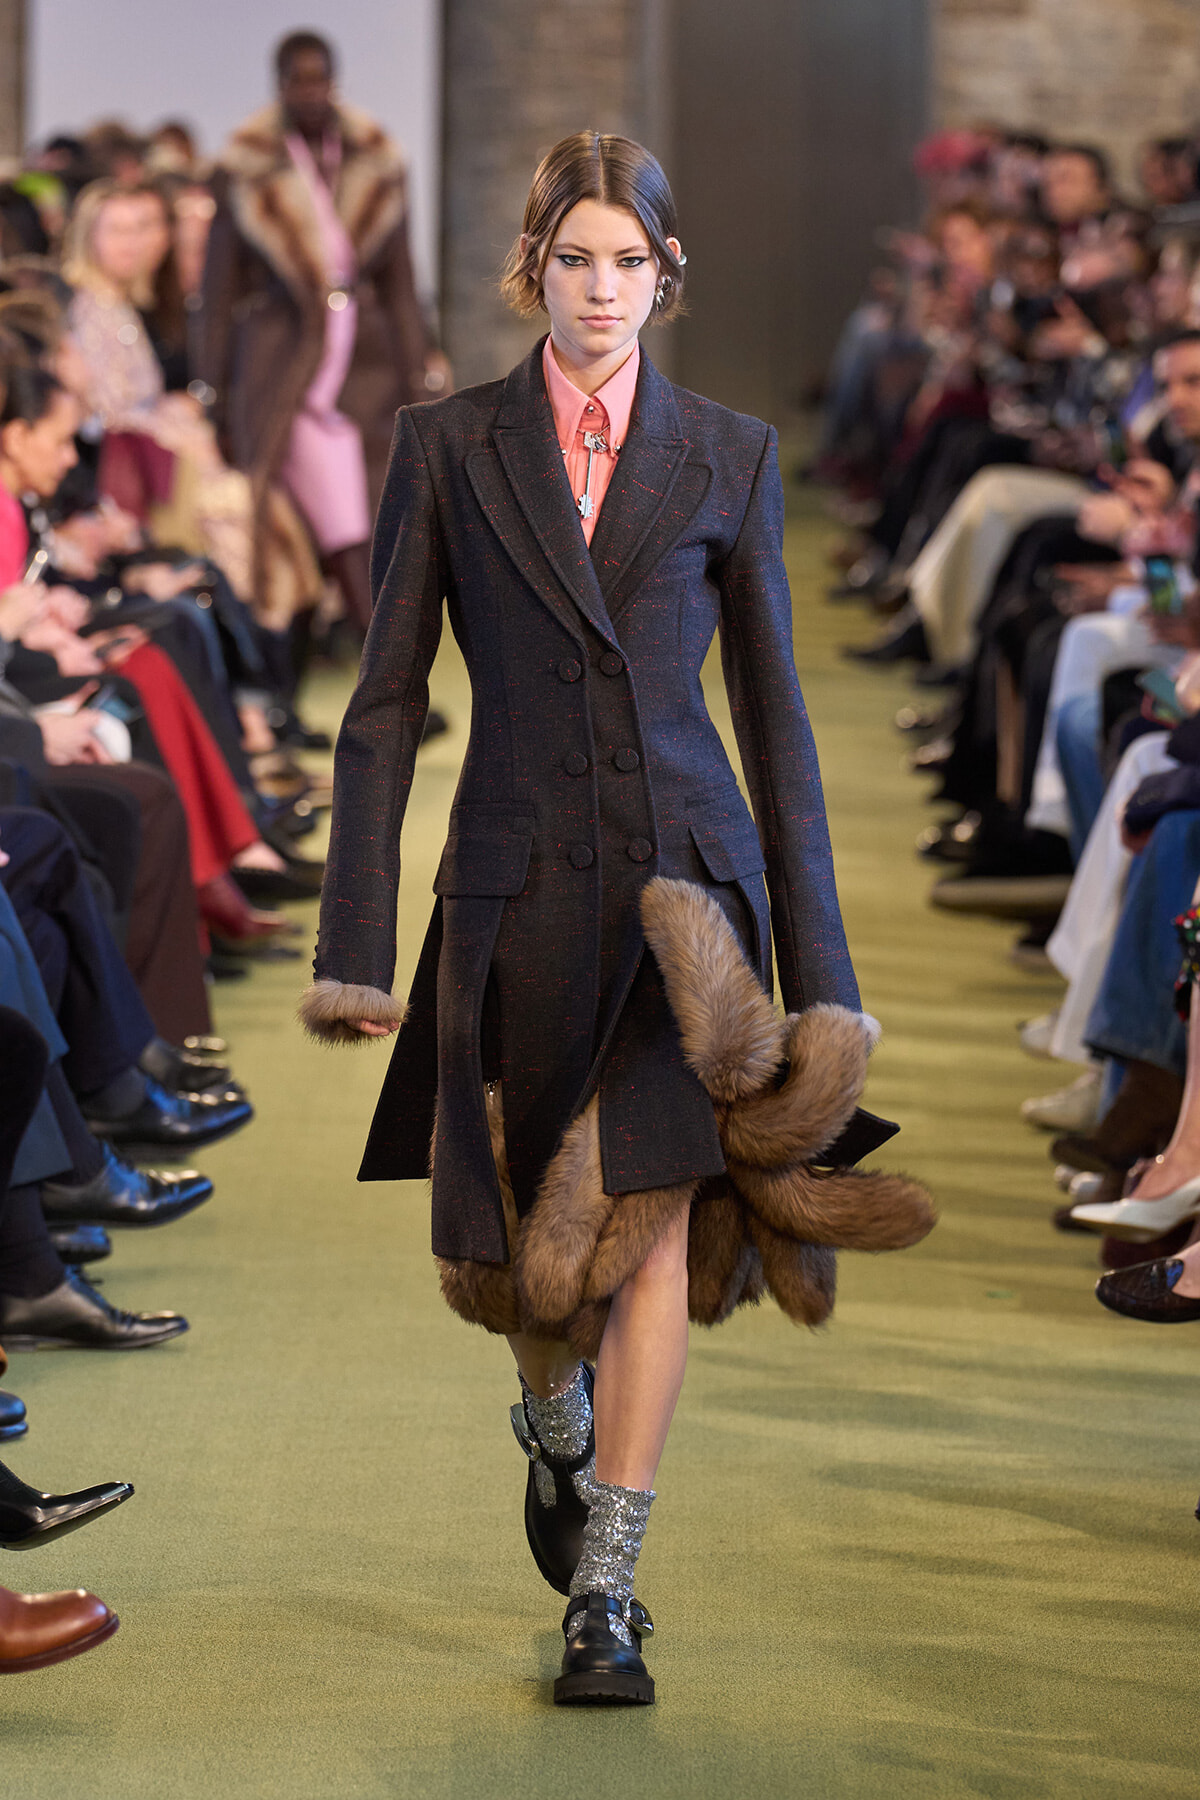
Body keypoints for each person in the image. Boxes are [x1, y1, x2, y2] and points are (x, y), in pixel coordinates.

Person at [302, 132, 933, 1705]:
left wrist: (829, 989)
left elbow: (779, 727)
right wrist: (353, 948)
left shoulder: (731, 454)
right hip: (515, 900)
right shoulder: (449, 445)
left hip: (684, 915)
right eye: (574, 259)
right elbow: (382, 709)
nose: (602, 290)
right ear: (536, 268)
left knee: (649, 1241)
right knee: (537, 1272)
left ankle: (610, 1589)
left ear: (667, 274)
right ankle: (555, 1423)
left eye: (629, 263)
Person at [197, 29, 440, 635]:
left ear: (334, 82)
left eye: (319, 79)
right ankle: (376, 662)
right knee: (332, 516)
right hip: (281, 361)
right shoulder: (245, 167)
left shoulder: (375, 160)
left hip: (364, 363)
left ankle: (364, 667)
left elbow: (403, 285)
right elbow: (218, 290)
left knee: (367, 508)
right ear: (280, 87)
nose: (310, 92)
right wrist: (214, 392)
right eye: (297, 81)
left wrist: (422, 374)